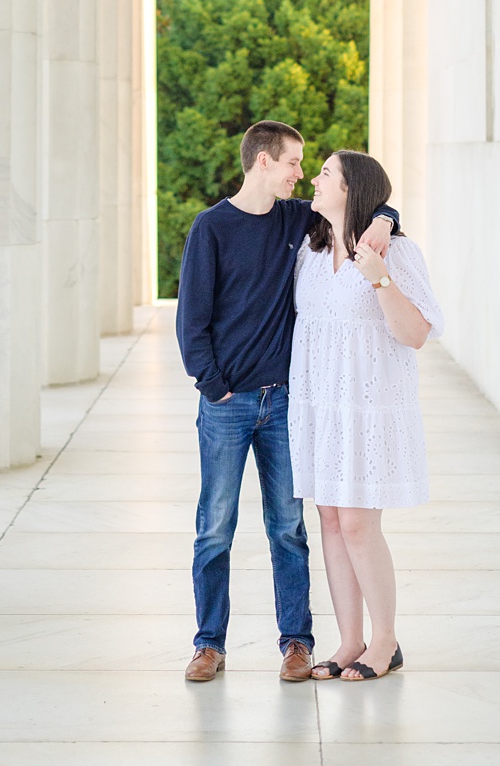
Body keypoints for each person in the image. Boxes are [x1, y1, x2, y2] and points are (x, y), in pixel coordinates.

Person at [174, 119, 399, 684]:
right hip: (227, 404)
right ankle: (208, 645)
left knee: (287, 528)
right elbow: (191, 320)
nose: (303, 174)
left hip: (287, 406)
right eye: (295, 163)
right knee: (215, 528)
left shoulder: (298, 221)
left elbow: (374, 206)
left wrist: (383, 219)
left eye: (308, 167)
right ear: (264, 162)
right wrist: (214, 385)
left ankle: (297, 642)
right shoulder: (211, 228)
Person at [289, 148, 442, 681]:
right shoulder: (310, 249)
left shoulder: (396, 253)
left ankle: (385, 640)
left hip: (369, 406)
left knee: (357, 522)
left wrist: (379, 276)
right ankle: (350, 639)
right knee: (330, 518)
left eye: (325, 173)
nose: (313, 177)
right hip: (320, 405)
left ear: (352, 188)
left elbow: (416, 334)